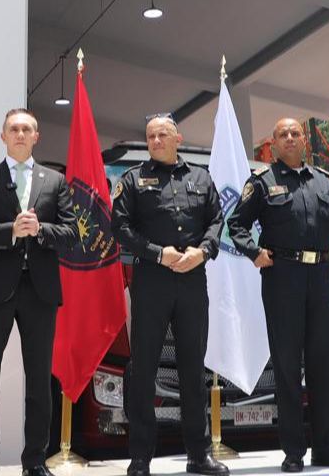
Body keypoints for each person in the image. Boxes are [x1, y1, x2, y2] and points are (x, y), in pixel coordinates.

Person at [228, 118, 329, 473]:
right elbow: (236, 224)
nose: (290, 138)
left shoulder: (323, 182)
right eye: (283, 134)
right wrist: (253, 251)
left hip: (321, 277)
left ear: (304, 140)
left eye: (295, 133)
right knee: (288, 368)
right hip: (281, 277)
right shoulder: (262, 183)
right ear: (273, 143)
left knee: (324, 366)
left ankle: (327, 449)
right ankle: (293, 453)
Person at [0, 108, 75, 476]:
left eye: (27, 129)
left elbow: (72, 235)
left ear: (36, 136)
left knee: (40, 380)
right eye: (14, 129)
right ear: (3, 136)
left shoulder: (55, 182)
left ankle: (35, 461)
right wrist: (10, 230)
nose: (20, 134)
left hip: (40, 292)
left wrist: (40, 230)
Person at [111, 115, 228, 476]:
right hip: (151, 281)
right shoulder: (132, 180)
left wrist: (203, 251)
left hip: (193, 280)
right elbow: (120, 227)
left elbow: (217, 219)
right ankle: (141, 457)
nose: (156, 139)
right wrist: (158, 253)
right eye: (150, 135)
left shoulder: (201, 178)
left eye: (163, 134)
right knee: (144, 370)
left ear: (178, 137)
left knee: (193, 370)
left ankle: (199, 455)